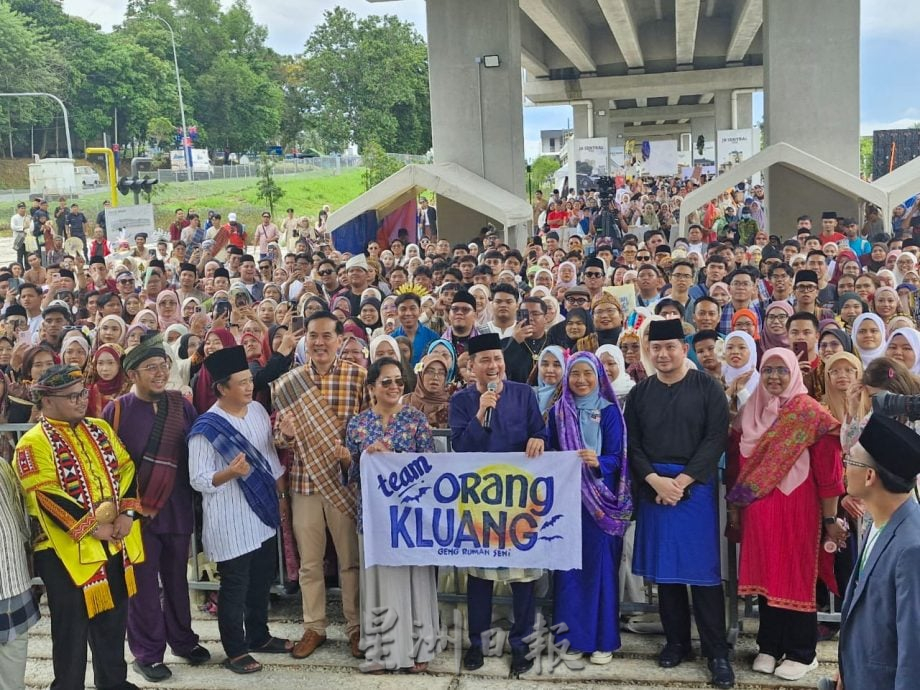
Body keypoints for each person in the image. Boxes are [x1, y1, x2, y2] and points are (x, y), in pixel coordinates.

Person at [14, 364, 144, 690]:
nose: (81, 400)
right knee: (71, 634)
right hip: (62, 555)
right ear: (46, 400)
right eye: (72, 396)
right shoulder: (33, 442)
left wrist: (127, 515)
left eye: (82, 393)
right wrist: (91, 527)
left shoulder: (100, 428)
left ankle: (114, 684)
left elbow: (126, 469)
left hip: (112, 545)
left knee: (113, 627)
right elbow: (44, 494)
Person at [624, 318, 734, 689]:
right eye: (656, 348)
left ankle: (717, 651)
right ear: (649, 352)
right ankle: (677, 642)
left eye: (670, 347)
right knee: (666, 572)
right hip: (655, 487)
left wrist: (682, 482)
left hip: (695, 487)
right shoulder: (640, 393)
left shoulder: (707, 387)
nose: (663, 354)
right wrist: (655, 480)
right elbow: (633, 444)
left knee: (703, 574)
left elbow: (716, 438)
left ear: (683, 349)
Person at [726, 348, 843, 681]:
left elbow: (830, 473)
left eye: (781, 370)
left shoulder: (810, 413)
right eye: (768, 370)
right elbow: (737, 465)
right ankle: (769, 646)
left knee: (795, 575)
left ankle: (802, 652)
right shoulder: (751, 411)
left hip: (798, 509)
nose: (774, 377)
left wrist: (830, 518)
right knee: (766, 576)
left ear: (794, 372)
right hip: (760, 511)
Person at [102, 334, 209, 682]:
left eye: (163, 366)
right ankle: (147, 654)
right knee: (143, 586)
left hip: (176, 507)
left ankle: (183, 640)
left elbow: (197, 452)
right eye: (151, 368)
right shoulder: (115, 411)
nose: (160, 373)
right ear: (132, 374)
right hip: (136, 517)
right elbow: (109, 468)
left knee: (178, 580)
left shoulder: (182, 405)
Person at [188, 346, 291, 674]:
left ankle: (259, 636)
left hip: (261, 514)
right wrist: (230, 473)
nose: (250, 387)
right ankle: (235, 650)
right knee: (234, 586)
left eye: (250, 380)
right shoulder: (208, 429)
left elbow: (271, 461)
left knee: (261, 579)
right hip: (230, 519)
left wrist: (282, 498)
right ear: (222, 388)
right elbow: (198, 478)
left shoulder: (259, 411)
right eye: (242, 382)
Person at [448, 333, 547, 675]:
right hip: (481, 501)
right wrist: (480, 413)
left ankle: (522, 645)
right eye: (485, 360)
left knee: (523, 578)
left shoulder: (523, 394)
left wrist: (538, 437)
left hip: (519, 499)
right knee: (480, 576)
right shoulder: (461, 401)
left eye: (497, 359)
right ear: (472, 366)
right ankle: (478, 643)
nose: (493, 366)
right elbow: (461, 447)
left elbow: (540, 432)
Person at [272, 311, 366, 660]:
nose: (320, 342)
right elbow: (279, 439)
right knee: (311, 564)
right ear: (305, 339)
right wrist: (287, 435)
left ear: (340, 340)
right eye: (313, 335)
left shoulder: (358, 377)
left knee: (350, 562)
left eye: (327, 336)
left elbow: (369, 427)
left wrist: (350, 456)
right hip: (304, 483)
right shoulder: (288, 382)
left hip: (343, 483)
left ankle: (356, 628)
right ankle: (315, 626)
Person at [345, 357, 439, 673]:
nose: (394, 387)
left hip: (411, 518)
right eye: (386, 381)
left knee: (414, 579)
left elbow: (430, 467)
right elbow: (351, 477)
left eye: (399, 381)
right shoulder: (357, 425)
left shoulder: (416, 420)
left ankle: (419, 649)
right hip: (372, 517)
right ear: (372, 386)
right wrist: (363, 458)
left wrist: (394, 458)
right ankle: (382, 651)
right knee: (378, 580)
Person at [548, 352, 631, 664]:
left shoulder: (609, 412)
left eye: (588, 374)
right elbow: (549, 449)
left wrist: (599, 462)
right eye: (575, 374)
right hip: (568, 504)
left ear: (599, 377)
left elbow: (619, 456)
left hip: (601, 503)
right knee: (569, 570)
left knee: (601, 570)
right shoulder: (558, 411)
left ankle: (603, 641)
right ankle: (571, 639)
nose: (581, 380)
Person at [837, 414, 920, 690]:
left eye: (849, 462)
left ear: (870, 476)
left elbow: (914, 649)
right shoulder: (877, 522)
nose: (844, 468)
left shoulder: (912, 548)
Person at [0, 448, 39, 690]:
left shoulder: (4, 467)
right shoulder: (4, 466)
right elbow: (23, 520)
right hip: (10, 580)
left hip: (10, 581)